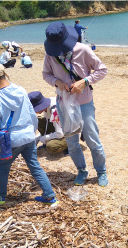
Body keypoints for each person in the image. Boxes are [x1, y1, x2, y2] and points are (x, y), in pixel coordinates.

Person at [0, 62, 58, 206]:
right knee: (35, 166)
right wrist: (31, 132)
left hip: (11, 140)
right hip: (28, 136)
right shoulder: (21, 90)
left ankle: (0, 196)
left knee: (2, 168)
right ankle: (50, 196)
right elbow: (32, 116)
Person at [42, 21, 108, 186]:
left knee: (93, 140)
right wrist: (57, 82)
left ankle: (101, 171)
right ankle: (82, 171)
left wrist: (84, 81)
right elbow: (46, 74)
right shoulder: (51, 54)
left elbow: (102, 70)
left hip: (84, 103)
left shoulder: (83, 50)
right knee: (72, 142)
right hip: (64, 103)